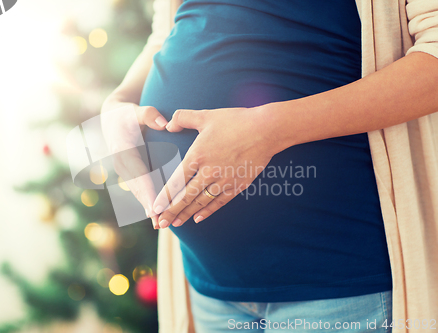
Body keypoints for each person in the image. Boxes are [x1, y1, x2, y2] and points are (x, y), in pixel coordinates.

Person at [101, 0, 438, 331]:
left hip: (337, 278)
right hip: (207, 285)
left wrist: (269, 129)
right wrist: (117, 103)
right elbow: (168, 29)